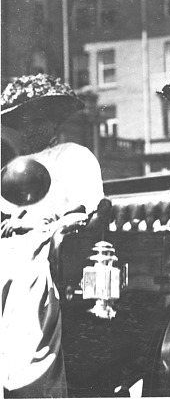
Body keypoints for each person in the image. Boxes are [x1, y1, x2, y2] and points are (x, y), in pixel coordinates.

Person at [1, 74, 105, 397]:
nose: (29, 130)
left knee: (20, 268)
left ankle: (25, 375)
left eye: (37, 121)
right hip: (15, 238)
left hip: (53, 243)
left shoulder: (74, 155)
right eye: (23, 123)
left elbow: (90, 210)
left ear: (52, 123)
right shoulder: (15, 168)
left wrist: (48, 224)